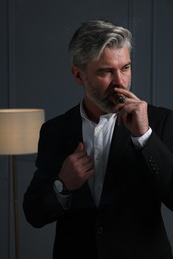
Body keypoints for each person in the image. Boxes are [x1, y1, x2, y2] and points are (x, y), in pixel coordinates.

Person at [23, 19, 173, 259]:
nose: (120, 82)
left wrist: (145, 137)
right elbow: (34, 214)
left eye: (125, 68)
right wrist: (63, 185)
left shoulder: (161, 122)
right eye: (106, 71)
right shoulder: (55, 131)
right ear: (79, 76)